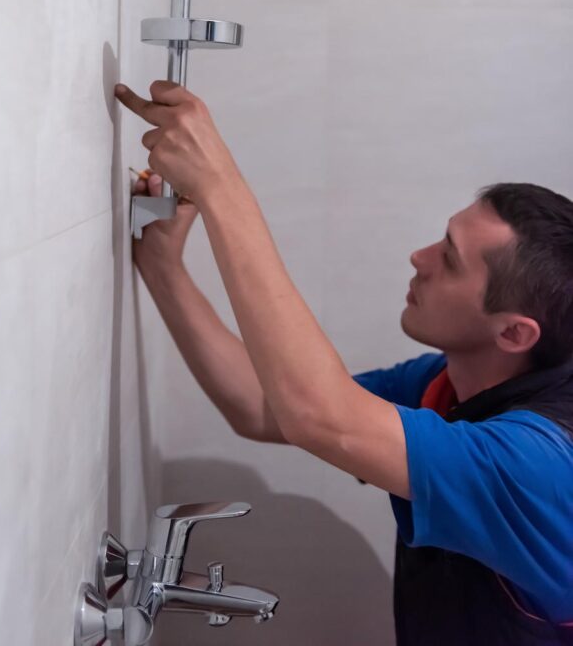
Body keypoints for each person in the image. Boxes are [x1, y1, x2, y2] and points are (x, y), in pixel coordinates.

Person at [114, 80, 573, 646]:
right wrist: (164, 267)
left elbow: (318, 414)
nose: (419, 257)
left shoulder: (541, 466)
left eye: (449, 260)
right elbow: (265, 407)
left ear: (513, 332)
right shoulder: (446, 384)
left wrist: (219, 184)